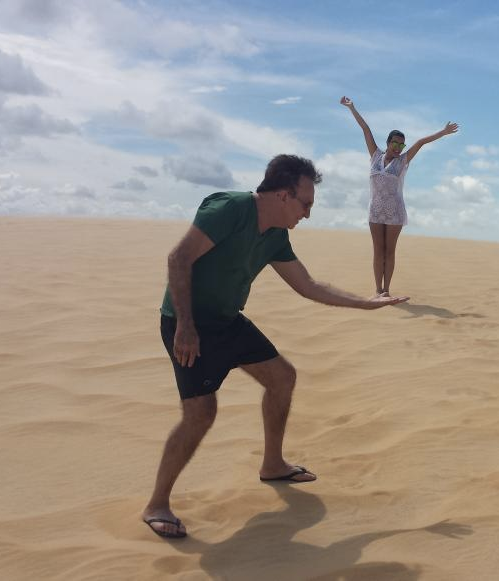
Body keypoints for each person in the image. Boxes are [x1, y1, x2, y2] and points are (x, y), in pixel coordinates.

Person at [141, 154, 409, 539]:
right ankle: (157, 504)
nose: (308, 214)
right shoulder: (230, 209)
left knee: (282, 377)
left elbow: (309, 286)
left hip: (228, 320)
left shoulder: (276, 236)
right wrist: (185, 325)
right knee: (201, 413)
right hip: (189, 324)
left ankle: (273, 464)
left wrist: (367, 303)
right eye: (306, 204)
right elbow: (178, 258)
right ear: (284, 195)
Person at [340, 96, 459, 296]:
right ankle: (378, 290)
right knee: (378, 251)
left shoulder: (403, 161)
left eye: (401, 145)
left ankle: (387, 290)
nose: (398, 147)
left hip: (394, 211)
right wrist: (351, 108)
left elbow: (421, 142)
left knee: (389, 251)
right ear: (388, 143)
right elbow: (365, 129)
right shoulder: (375, 156)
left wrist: (443, 132)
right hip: (375, 211)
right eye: (395, 143)